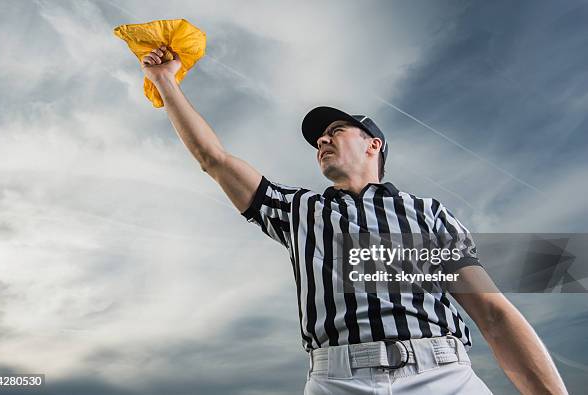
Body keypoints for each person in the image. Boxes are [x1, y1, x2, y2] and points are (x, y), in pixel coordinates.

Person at [141, 46, 568, 394]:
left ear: (373, 145)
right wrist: (165, 80)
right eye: (318, 138)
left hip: (441, 376)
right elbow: (214, 159)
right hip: (337, 381)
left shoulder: (427, 213)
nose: (322, 139)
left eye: (337, 130)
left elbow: (492, 313)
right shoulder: (299, 211)